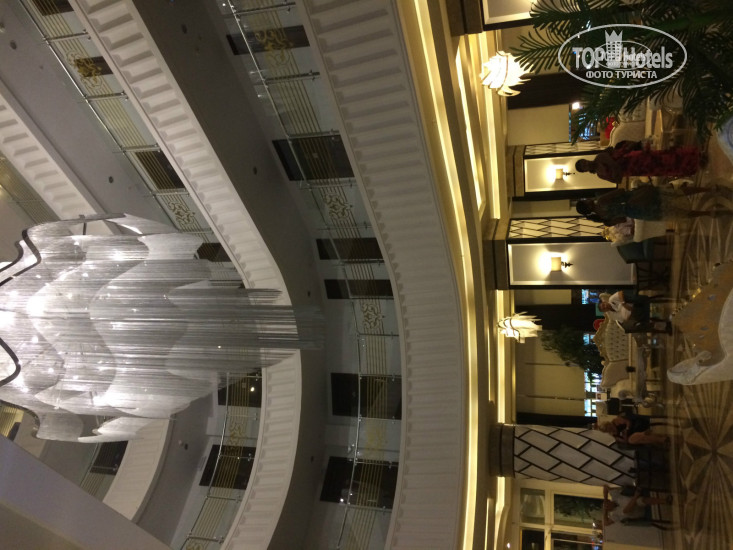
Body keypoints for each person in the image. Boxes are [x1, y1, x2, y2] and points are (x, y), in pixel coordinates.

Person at [576, 185, 716, 226]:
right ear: (587, 206)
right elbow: (620, 191)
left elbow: (622, 219)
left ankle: (706, 214)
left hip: (640, 213)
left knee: (675, 212)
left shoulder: (603, 217)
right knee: (676, 193)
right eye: (585, 201)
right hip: (639, 198)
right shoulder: (601, 201)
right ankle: (708, 189)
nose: (587, 199)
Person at [576, 141, 703, 184]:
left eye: (583, 162)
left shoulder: (600, 157)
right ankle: (692, 166)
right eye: (583, 167)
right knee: (663, 169)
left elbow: (615, 165)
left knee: (664, 157)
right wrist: (616, 169)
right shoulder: (600, 175)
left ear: (585, 160)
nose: (585, 165)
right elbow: (618, 180)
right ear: (585, 171)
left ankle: (694, 156)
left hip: (635, 159)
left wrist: (615, 169)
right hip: (635, 170)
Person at [598, 291, 671, 334]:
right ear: (604, 311)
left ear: (604, 302)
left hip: (633, 303)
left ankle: (663, 323)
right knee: (638, 326)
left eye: (603, 305)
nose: (605, 307)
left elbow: (620, 293)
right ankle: (664, 326)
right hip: (631, 315)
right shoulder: (611, 315)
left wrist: (623, 303)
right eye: (603, 308)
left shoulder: (612, 299)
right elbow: (623, 319)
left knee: (640, 315)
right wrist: (629, 315)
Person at [602, 485, 672, 527]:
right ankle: (665, 501)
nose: (608, 504)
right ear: (609, 510)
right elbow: (627, 510)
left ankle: (665, 501)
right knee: (638, 501)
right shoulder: (615, 514)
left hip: (636, 501)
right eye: (607, 507)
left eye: (607, 503)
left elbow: (605, 487)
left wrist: (605, 498)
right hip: (635, 511)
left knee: (640, 500)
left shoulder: (615, 497)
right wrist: (605, 512)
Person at [595, 413, 670, 447]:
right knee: (633, 440)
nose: (609, 429)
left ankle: (661, 439)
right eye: (607, 430)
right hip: (634, 435)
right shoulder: (614, 434)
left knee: (635, 439)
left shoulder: (616, 421)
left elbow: (628, 421)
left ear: (608, 424)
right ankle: (660, 439)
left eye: (608, 427)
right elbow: (625, 441)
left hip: (636, 425)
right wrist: (624, 435)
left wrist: (627, 429)